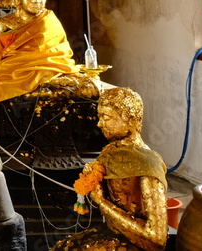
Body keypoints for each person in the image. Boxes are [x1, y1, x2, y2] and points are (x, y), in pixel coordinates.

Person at [52, 88, 168, 251]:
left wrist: (102, 202)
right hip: (113, 233)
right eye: (99, 117)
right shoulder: (110, 152)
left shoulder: (147, 163)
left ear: (129, 119)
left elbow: (157, 236)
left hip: (134, 244)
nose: (99, 124)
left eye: (105, 117)